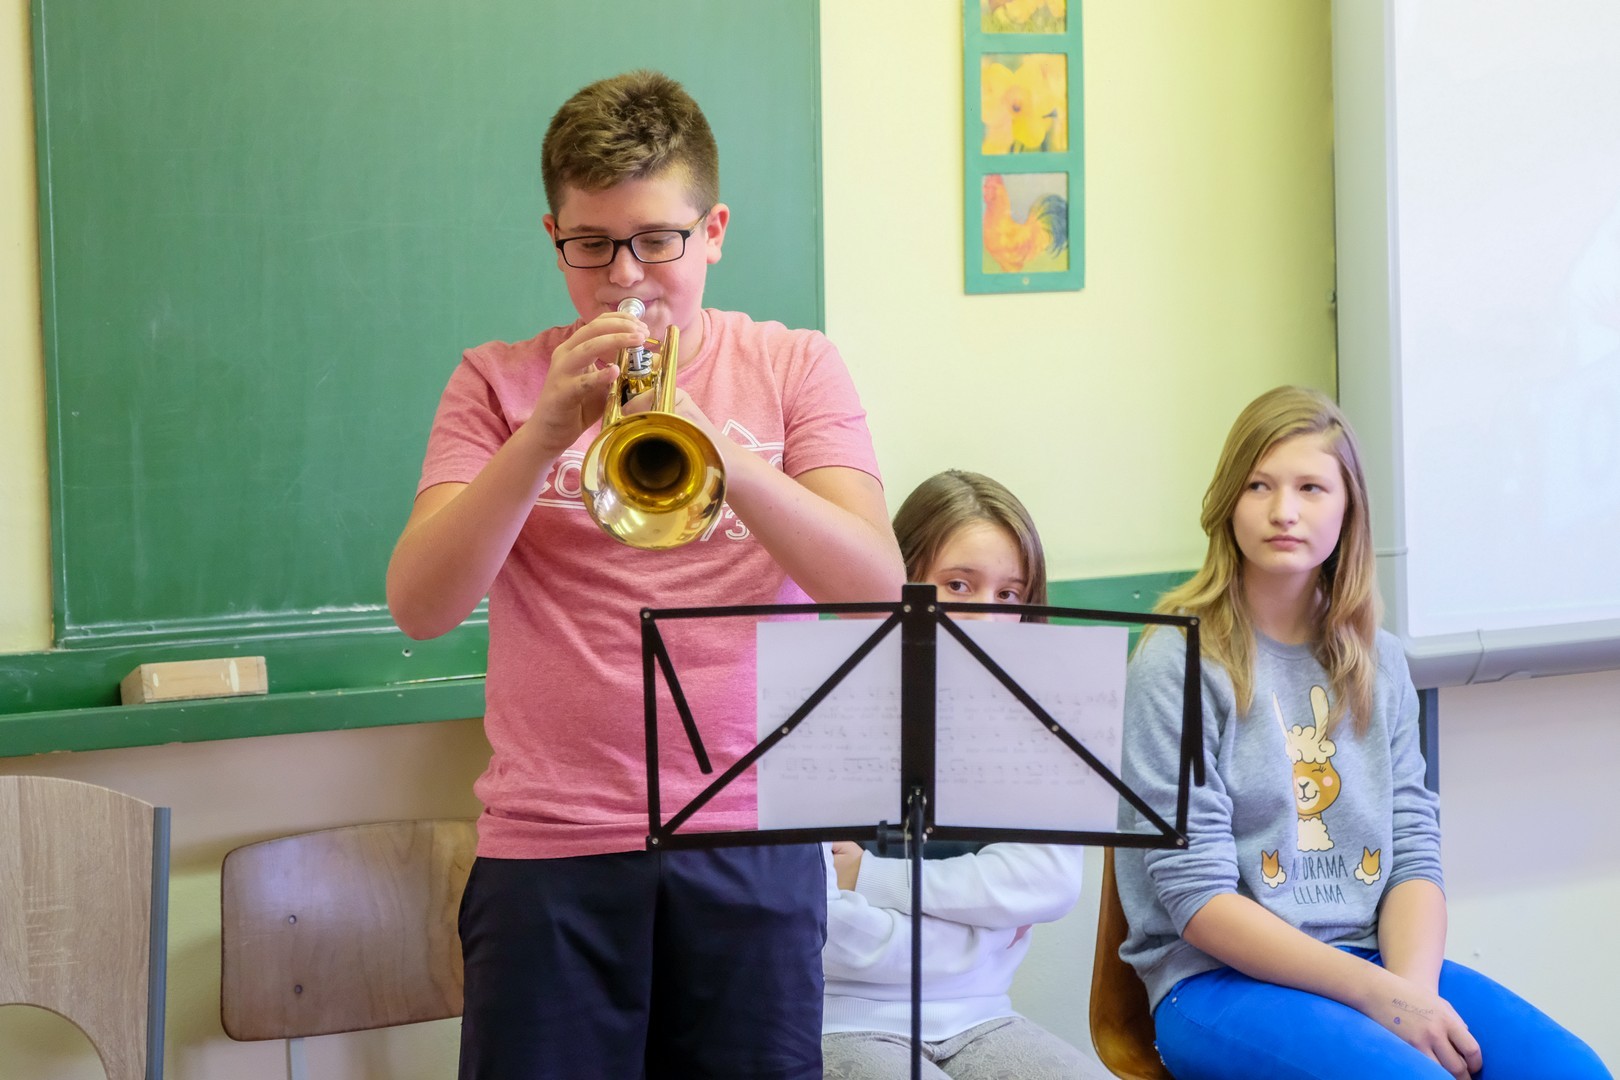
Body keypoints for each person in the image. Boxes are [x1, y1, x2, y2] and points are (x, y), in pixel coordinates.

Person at [385, 70, 905, 1080]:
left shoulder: (796, 366)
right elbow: (421, 606)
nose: (625, 277)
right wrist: (541, 438)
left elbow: (875, 585)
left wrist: (718, 447)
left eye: (657, 240)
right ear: (554, 238)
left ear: (714, 232)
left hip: (755, 840)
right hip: (551, 851)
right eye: (592, 245)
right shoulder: (495, 381)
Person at [1116, 386, 1610, 1080]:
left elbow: (1413, 852)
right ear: (1228, 501)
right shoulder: (1176, 659)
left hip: (1372, 959)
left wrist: (1410, 997)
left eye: (1311, 487)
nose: (1283, 510)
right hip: (1215, 980)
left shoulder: (1382, 659)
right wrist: (1382, 999)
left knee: (1573, 1071)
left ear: (1348, 508)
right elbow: (1198, 901)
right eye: (1259, 485)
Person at [821, 469, 1089, 1080]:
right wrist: (982, 934)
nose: (985, 619)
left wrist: (870, 876)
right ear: (898, 579)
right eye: (958, 585)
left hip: (983, 1015)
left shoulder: (1039, 725)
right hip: (838, 1018)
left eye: (1009, 596)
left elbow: (1047, 883)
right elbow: (821, 927)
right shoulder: (821, 707)